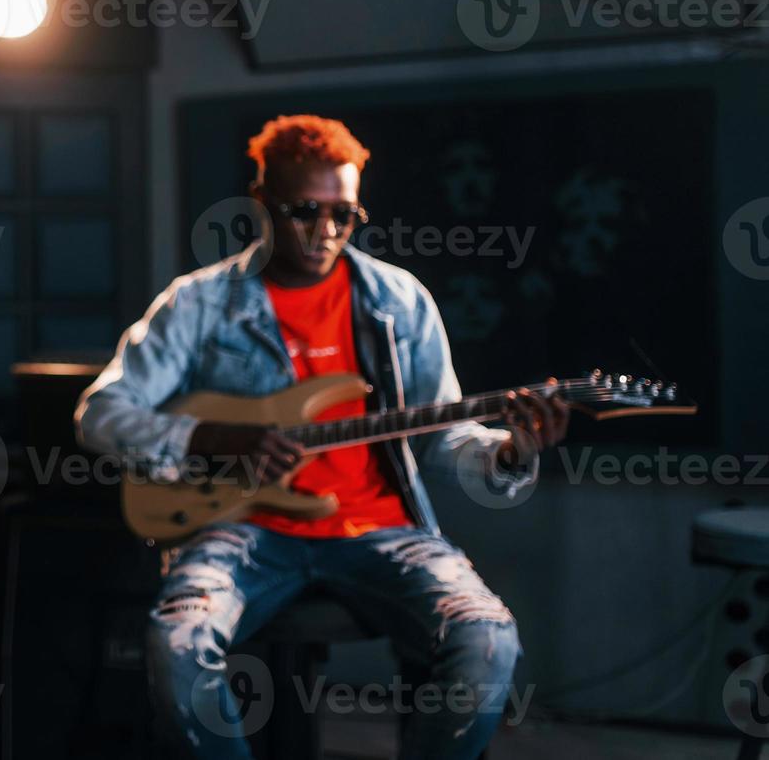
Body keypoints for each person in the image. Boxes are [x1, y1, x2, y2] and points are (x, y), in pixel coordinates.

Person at [75, 114, 568, 759]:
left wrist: (510, 452)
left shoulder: (400, 301)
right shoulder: (197, 304)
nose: (326, 232)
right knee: (178, 643)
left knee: (488, 635)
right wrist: (211, 438)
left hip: (383, 530)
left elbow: (442, 432)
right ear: (262, 203)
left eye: (344, 214)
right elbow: (101, 413)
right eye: (305, 210)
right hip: (242, 528)